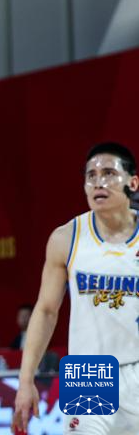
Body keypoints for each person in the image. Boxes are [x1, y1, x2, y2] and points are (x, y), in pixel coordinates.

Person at [13, 143, 139, 433]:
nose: (98, 182)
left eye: (108, 173)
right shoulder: (66, 238)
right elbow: (46, 311)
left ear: (132, 183)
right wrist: (25, 380)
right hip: (88, 373)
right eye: (91, 175)